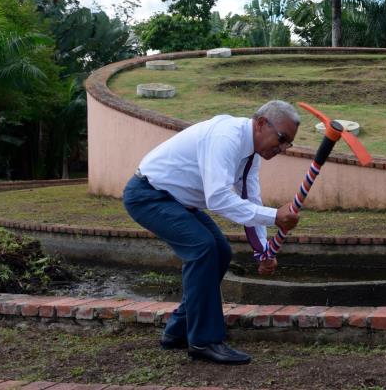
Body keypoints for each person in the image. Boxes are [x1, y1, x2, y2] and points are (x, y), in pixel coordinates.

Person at [123, 100, 301, 365]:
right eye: (282, 138)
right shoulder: (226, 137)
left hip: (177, 201)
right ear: (262, 123)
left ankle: (179, 330)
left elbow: (250, 197)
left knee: (220, 251)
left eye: (289, 143)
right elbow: (218, 198)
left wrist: (263, 250)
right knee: (203, 248)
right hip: (149, 195)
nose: (284, 148)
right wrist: (275, 216)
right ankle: (204, 342)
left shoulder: (251, 154)